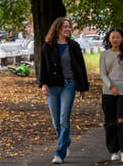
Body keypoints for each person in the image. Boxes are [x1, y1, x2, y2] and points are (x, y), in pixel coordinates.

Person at [38, 18, 90, 164]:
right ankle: (65, 141)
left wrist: (83, 87)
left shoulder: (74, 46)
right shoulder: (48, 46)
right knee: (56, 121)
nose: (67, 29)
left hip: (69, 85)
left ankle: (59, 153)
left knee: (63, 119)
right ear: (57, 29)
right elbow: (43, 66)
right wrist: (43, 84)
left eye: (69, 27)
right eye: (64, 27)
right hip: (53, 86)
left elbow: (81, 67)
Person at [99, 28, 123, 164]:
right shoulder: (104, 54)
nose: (115, 39)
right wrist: (111, 86)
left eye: (118, 37)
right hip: (108, 92)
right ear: (109, 39)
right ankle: (114, 150)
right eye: (112, 37)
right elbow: (103, 74)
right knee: (110, 122)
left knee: (122, 121)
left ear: (122, 39)